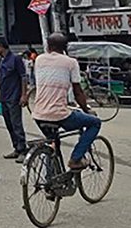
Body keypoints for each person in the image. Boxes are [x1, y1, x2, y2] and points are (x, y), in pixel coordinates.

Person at [32, 33, 102, 171]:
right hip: (59, 115)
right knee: (94, 122)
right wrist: (86, 109)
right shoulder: (71, 62)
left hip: (39, 114)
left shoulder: (39, 60)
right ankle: (76, 158)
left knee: (52, 143)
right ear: (65, 47)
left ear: (48, 46)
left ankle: (51, 178)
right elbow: (78, 92)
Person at [0, 37, 29, 163]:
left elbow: (23, 77)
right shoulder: (1, 60)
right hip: (4, 97)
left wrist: (24, 95)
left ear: (1, 46)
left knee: (16, 124)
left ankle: (23, 149)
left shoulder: (16, 59)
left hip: (14, 97)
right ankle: (16, 148)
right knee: (9, 124)